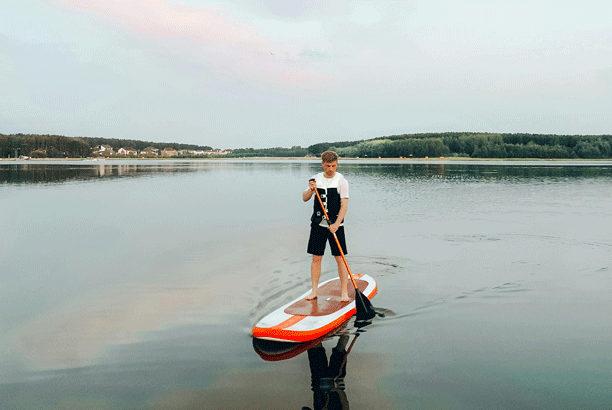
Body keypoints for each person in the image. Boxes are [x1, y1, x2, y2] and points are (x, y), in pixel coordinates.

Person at [302, 151, 349, 302]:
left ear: (337, 164)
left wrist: (336, 224)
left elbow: (344, 206)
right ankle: (314, 291)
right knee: (316, 258)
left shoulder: (342, 181)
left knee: (339, 258)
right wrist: (310, 189)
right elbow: (304, 198)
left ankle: (344, 292)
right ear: (322, 164)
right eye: (327, 166)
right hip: (318, 225)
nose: (330, 169)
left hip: (336, 226)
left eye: (333, 166)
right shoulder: (316, 179)